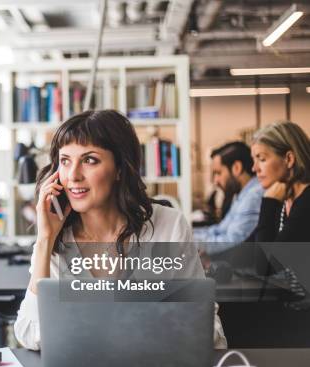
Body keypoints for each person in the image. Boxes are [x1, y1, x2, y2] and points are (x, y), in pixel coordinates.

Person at [13, 110, 227, 350]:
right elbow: (30, 334)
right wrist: (44, 240)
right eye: (65, 161)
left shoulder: (169, 226)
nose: (73, 175)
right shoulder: (55, 239)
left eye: (89, 160)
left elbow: (209, 332)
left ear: (119, 169)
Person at [193, 142, 264, 249]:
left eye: (218, 173)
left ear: (236, 168)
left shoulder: (254, 195)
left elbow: (230, 242)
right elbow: (220, 229)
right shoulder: (242, 194)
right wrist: (186, 233)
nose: (215, 181)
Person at [252, 121, 310, 242]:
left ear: (289, 159)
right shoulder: (283, 196)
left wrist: (268, 202)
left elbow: (268, 260)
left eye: (262, 159)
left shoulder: (306, 203)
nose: (254, 168)